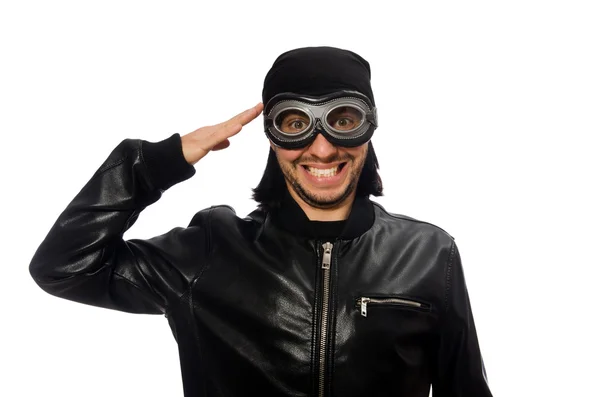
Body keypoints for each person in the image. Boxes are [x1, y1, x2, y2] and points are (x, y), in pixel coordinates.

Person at [29, 46, 493, 396]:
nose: (323, 147)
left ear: (369, 129)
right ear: (270, 136)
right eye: (295, 124)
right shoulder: (212, 249)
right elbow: (64, 267)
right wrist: (154, 164)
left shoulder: (430, 253)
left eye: (343, 119)